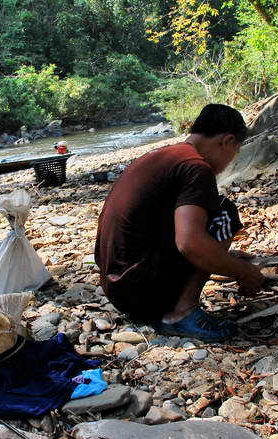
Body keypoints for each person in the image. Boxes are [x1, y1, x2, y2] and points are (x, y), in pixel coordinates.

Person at [94, 104, 264, 342]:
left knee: (209, 218)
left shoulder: (163, 155)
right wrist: (244, 272)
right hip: (140, 293)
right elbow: (189, 243)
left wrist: (224, 258)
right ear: (227, 141)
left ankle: (176, 305)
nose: (229, 162)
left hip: (118, 288)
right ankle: (181, 313)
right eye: (235, 152)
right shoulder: (196, 168)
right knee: (224, 211)